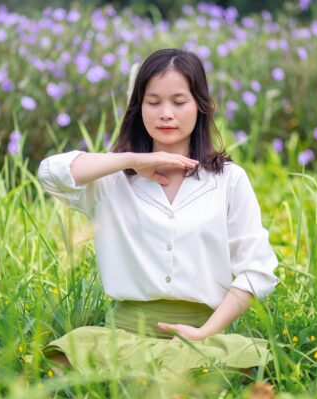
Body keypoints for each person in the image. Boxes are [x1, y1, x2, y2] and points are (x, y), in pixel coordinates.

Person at [36, 48, 279, 379]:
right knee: (60, 365)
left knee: (246, 371)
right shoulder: (112, 179)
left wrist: (206, 332)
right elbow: (51, 173)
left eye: (179, 102)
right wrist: (131, 160)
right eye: (154, 102)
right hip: (120, 339)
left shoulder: (228, 180)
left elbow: (257, 269)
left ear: (201, 106)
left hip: (203, 340)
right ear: (139, 109)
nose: (166, 113)